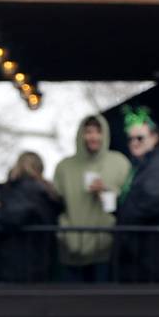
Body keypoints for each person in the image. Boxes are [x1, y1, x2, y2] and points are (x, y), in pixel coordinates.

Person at [54, 114, 131, 283]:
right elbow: (56, 203)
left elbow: (131, 202)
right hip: (71, 245)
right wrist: (64, 231)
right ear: (81, 134)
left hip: (105, 247)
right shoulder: (64, 166)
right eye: (88, 131)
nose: (93, 136)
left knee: (101, 303)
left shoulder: (119, 163)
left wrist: (107, 191)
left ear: (105, 134)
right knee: (70, 303)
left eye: (98, 131)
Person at [115, 107, 159, 282]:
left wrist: (123, 213)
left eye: (140, 137)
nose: (134, 142)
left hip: (155, 255)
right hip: (145, 254)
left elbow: (152, 203)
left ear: (154, 138)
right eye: (131, 138)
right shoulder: (142, 166)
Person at [0, 152, 64, 283]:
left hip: (13, 260)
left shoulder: (12, 189)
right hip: (43, 258)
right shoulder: (48, 191)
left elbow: (8, 219)